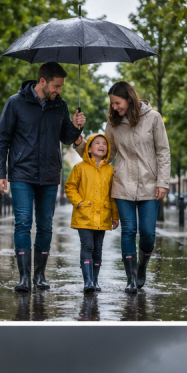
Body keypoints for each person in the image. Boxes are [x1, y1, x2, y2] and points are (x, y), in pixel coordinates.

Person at [0, 62, 86, 292]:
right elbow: (1, 138)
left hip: (50, 174)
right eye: (56, 85)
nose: (59, 91)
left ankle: (39, 275)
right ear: (42, 82)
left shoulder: (60, 105)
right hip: (22, 173)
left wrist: (75, 128)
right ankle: (24, 277)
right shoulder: (15, 103)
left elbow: (65, 137)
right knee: (23, 224)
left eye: (61, 86)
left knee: (45, 226)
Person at [75, 81, 170, 292]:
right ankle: (131, 279)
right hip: (122, 184)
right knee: (128, 231)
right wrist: (80, 143)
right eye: (112, 104)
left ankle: (142, 266)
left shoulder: (153, 118)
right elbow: (103, 154)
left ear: (129, 98)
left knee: (147, 233)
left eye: (117, 103)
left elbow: (163, 151)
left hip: (149, 184)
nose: (115, 107)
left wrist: (163, 182)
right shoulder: (113, 124)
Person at [65, 134, 118, 292]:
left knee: (98, 248)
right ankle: (87, 281)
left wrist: (115, 216)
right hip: (84, 216)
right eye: (97, 143)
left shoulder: (110, 170)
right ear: (88, 149)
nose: (102, 145)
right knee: (87, 246)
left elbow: (112, 194)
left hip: (102, 216)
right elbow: (70, 186)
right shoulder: (80, 168)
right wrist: (79, 202)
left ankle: (95, 280)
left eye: (104, 144)